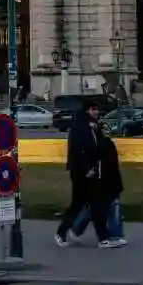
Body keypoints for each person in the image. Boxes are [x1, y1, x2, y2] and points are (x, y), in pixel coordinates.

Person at [54, 101, 104, 247]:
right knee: (86, 203)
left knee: (85, 203)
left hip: (90, 170)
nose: (97, 112)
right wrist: (87, 169)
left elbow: (98, 147)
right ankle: (102, 237)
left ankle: (71, 231)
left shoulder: (93, 125)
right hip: (81, 172)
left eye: (97, 109)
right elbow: (79, 150)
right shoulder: (80, 126)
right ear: (87, 111)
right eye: (94, 109)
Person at [68, 121, 126, 248]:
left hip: (110, 181)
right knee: (93, 209)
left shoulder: (108, 144)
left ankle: (116, 235)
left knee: (112, 205)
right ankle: (76, 229)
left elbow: (112, 164)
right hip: (97, 183)